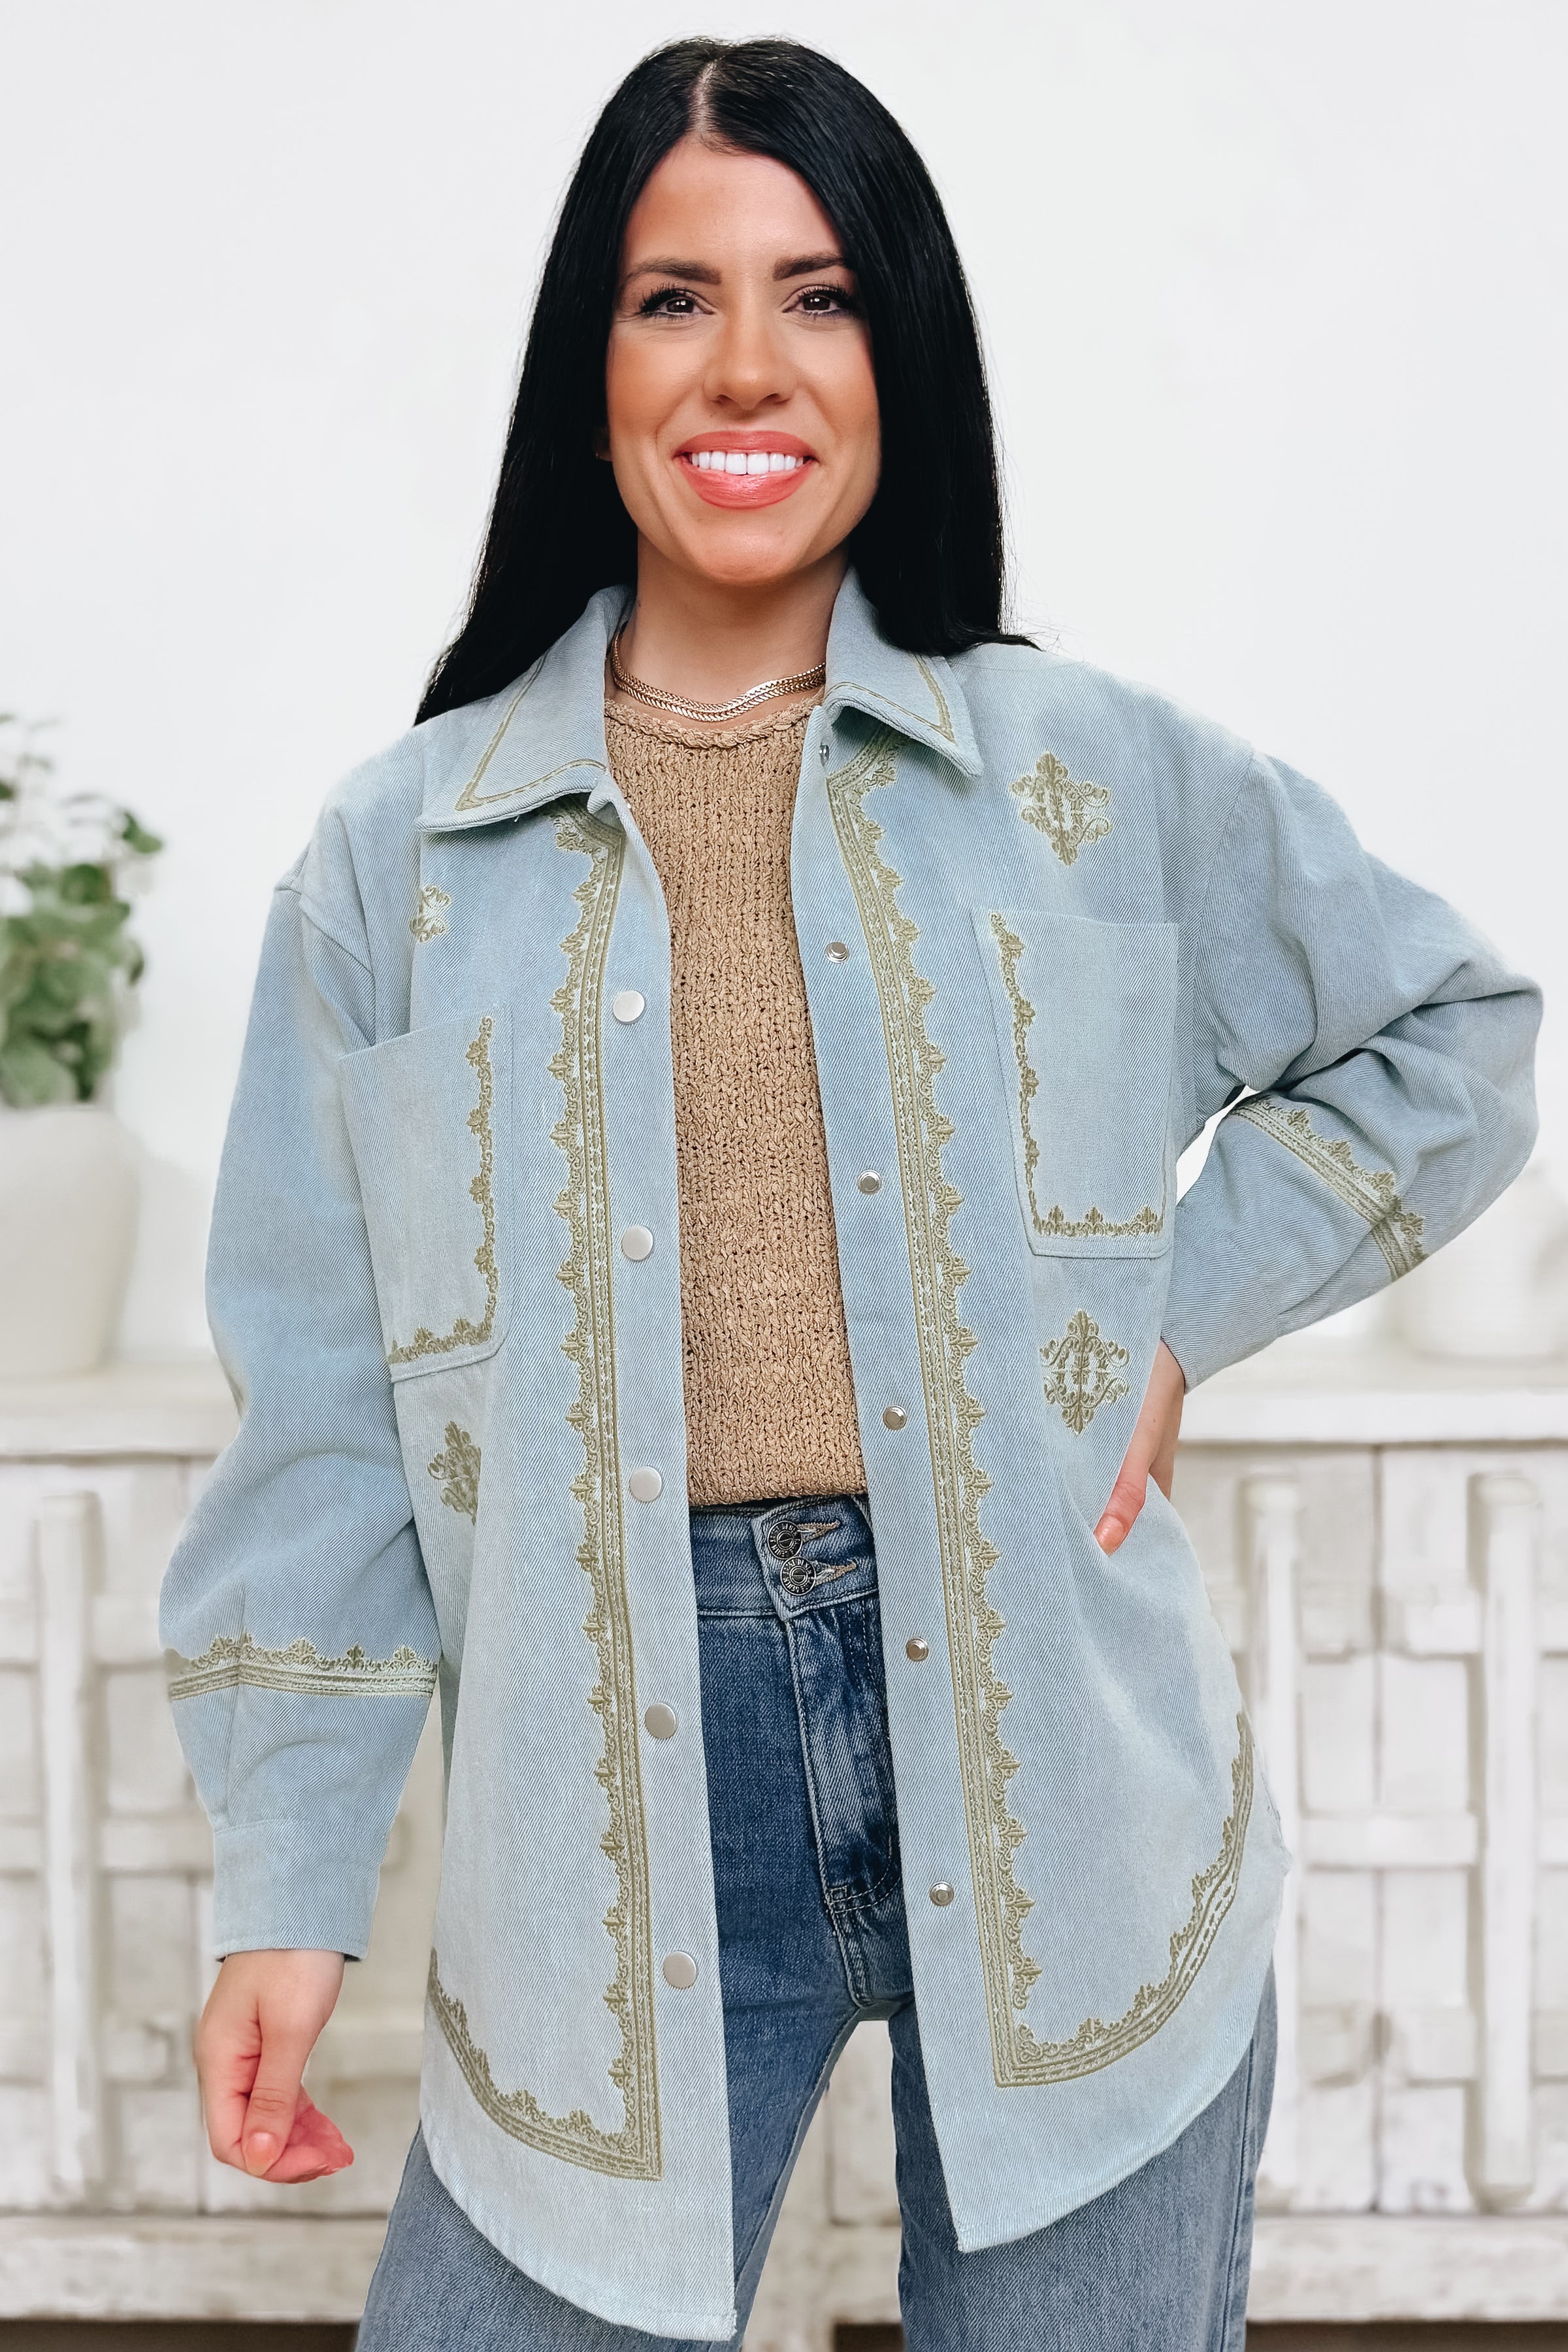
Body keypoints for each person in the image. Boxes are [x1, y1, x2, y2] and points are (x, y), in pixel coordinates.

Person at [161, 35, 1540, 2352]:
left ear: (904, 352)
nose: (749, 368)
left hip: (1071, 1781)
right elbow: (320, 1411)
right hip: (604, 1802)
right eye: (672, 298)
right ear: (588, 364)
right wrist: (286, 1883)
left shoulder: (1093, 774)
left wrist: (1169, 1313)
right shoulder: (398, 863)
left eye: (820, 296)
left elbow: (1456, 1037)